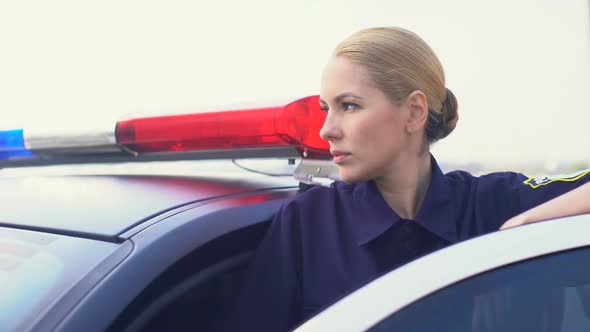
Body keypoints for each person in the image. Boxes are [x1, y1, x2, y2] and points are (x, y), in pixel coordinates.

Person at [214, 27, 590, 332]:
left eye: (349, 106)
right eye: (327, 109)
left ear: (414, 112)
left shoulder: (492, 205)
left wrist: (524, 226)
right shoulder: (308, 223)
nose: (327, 129)